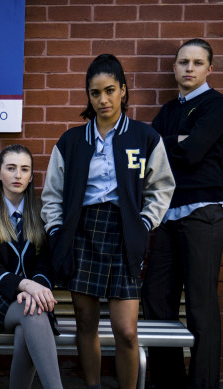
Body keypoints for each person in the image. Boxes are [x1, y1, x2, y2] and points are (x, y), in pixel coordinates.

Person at [41, 54, 175, 389]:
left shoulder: (144, 138)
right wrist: (57, 231)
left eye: (110, 90)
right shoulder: (71, 141)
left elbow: (162, 186)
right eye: (95, 93)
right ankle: (93, 386)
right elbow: (52, 194)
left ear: (124, 91)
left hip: (125, 234)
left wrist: (144, 224)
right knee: (86, 323)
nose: (103, 99)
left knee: (127, 331)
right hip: (82, 233)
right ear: (88, 96)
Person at [142, 38, 223, 389]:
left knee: (201, 307)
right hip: (166, 216)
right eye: (183, 62)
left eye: (197, 62)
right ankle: (167, 382)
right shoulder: (167, 111)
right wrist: (180, 140)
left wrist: (169, 143)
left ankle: (202, 384)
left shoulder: (216, 106)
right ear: (173, 68)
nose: (189, 68)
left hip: (203, 214)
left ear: (209, 69)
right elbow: (148, 157)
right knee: (156, 299)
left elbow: (191, 154)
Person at [0, 144, 63, 389]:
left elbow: (47, 263)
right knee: (33, 311)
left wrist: (36, 288)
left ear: (31, 176)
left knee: (29, 319)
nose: (18, 175)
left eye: (24, 169)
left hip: (34, 300)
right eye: (11, 168)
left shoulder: (43, 211)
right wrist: (25, 285)